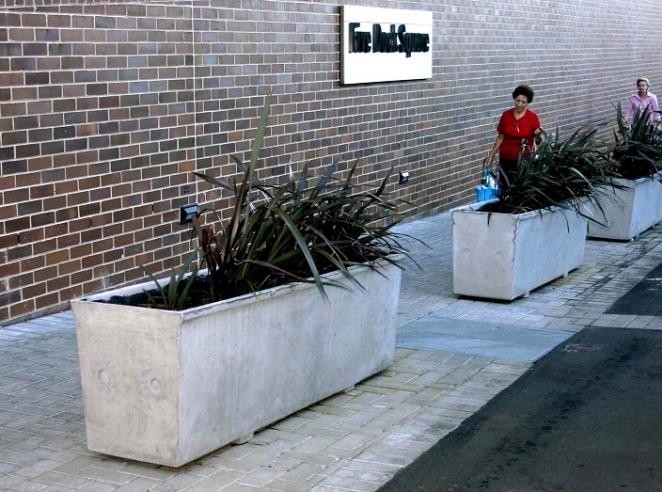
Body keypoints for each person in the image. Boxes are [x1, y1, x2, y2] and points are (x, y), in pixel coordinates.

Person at [485, 85, 542, 188]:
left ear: (528, 103)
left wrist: (537, 135)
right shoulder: (506, 116)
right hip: (505, 160)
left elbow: (537, 141)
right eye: (517, 100)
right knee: (505, 187)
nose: (519, 104)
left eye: (523, 102)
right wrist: (491, 155)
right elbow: (500, 137)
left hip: (524, 161)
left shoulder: (533, 118)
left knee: (520, 188)